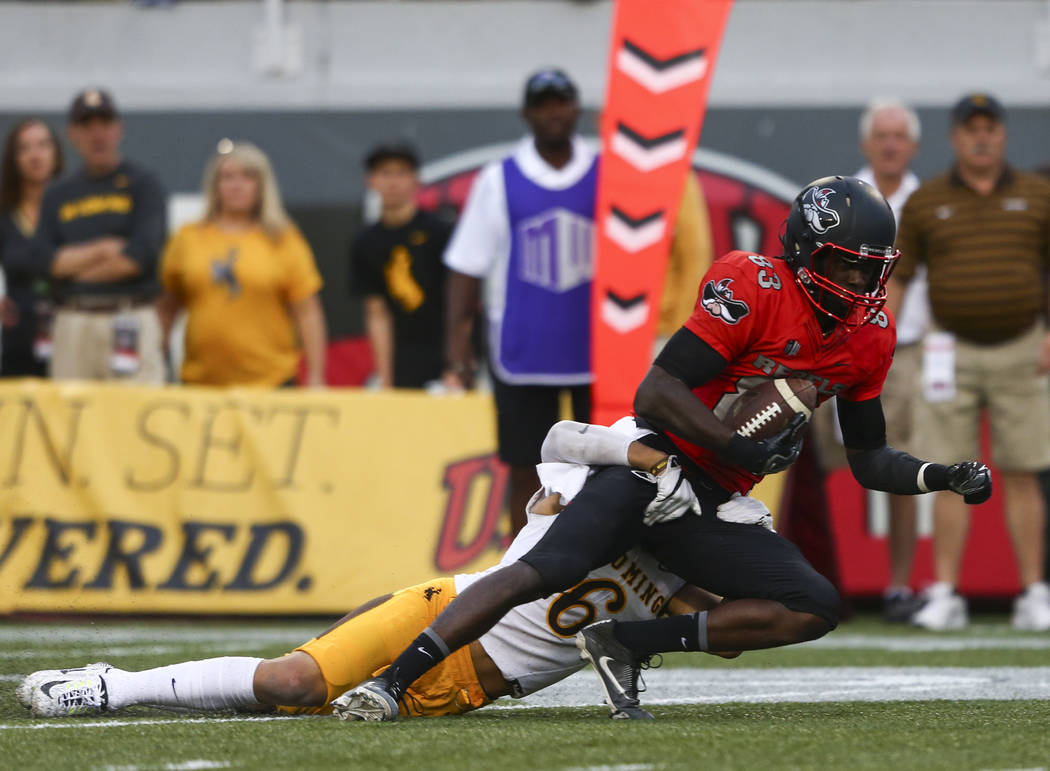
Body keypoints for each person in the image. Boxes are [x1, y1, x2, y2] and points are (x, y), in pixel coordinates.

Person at [339, 175, 993, 722]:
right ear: (806, 252)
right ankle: (392, 682)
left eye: (869, 267)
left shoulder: (869, 335)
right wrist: (736, 443)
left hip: (711, 502)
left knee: (813, 605)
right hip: (656, 466)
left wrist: (940, 474)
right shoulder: (755, 285)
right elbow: (656, 391)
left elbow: (870, 457)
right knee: (547, 566)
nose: (859, 280)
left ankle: (623, 642)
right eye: (846, 262)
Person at [19, 425, 728, 720]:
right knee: (294, 679)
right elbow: (558, 451)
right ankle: (111, 686)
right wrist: (627, 468)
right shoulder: (602, 489)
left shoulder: (687, 567)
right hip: (444, 610)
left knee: (299, 705)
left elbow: (726, 621)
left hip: (473, 683)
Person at [890, 94, 1050, 631]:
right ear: (955, 138)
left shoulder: (1038, 195)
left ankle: (1034, 592)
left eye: (990, 128)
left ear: (1003, 135)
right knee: (952, 471)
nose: (981, 137)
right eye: (970, 129)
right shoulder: (927, 200)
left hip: (1023, 346)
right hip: (948, 350)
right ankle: (944, 593)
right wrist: (879, 334)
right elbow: (900, 277)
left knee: (1024, 472)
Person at [442, 68, 596, 536]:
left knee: (606, 472)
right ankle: (522, 571)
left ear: (577, 108)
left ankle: (600, 570)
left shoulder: (609, 170)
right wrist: (457, 342)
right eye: (543, 104)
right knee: (526, 468)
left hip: (598, 350)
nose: (553, 112)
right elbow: (468, 264)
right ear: (527, 113)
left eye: (561, 102)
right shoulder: (500, 178)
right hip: (521, 347)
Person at [157, 140, 327, 387]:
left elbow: (308, 312)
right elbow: (166, 309)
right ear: (214, 185)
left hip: (271, 383)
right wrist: (155, 363)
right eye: (226, 177)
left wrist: (316, 376)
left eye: (247, 177)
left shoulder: (283, 238)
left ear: (262, 186)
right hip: (201, 385)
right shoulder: (188, 238)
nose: (236, 186)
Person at [33, 89, 167, 382]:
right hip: (73, 321)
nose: (97, 135)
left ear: (118, 129)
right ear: (72, 134)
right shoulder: (58, 193)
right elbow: (45, 261)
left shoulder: (143, 184)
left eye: (104, 125)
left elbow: (138, 258)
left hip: (129, 317)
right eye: (86, 126)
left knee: (133, 415)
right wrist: (105, 249)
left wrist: (73, 273)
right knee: (70, 416)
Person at [856, 98, 925, 621]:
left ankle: (900, 585)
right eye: (882, 135)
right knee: (818, 465)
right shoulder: (844, 198)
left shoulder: (928, 203)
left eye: (899, 135)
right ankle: (823, 573)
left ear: (914, 145)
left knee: (899, 464)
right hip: (842, 349)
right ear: (866, 143)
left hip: (908, 352)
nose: (890, 144)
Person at [349, 141, 451, 389]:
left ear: (416, 180)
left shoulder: (441, 233)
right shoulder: (365, 243)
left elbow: (460, 305)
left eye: (401, 173)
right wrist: (385, 377)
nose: (393, 182)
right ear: (370, 181)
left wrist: (456, 366)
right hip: (401, 358)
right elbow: (377, 313)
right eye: (385, 173)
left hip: (444, 356)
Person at [0, 119, 63, 376]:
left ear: (56, 153)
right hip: (17, 332)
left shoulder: (74, 208)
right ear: (13, 159)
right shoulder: (5, 214)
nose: (35, 155)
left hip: (67, 327)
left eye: (43, 145)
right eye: (25, 148)